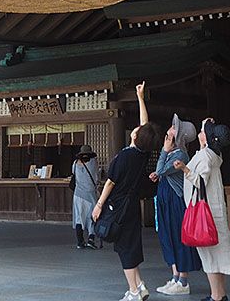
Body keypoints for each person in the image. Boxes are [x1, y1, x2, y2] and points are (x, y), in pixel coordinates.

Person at [92, 82, 159, 301]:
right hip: (131, 206)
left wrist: (99, 204)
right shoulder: (143, 154)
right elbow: (145, 125)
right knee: (130, 242)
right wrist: (140, 97)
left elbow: (110, 182)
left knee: (123, 247)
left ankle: (133, 291)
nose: (138, 128)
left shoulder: (125, 157)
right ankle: (140, 285)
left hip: (117, 205)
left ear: (135, 137)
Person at [173, 118, 230, 301]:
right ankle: (220, 294)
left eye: (203, 131)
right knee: (218, 255)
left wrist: (185, 169)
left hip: (206, 213)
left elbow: (201, 181)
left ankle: (216, 296)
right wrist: (207, 125)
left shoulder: (204, 156)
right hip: (216, 211)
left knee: (210, 257)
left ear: (207, 138)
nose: (200, 133)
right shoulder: (214, 155)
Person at [150, 115, 201, 295]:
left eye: (174, 128)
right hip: (166, 198)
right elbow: (161, 172)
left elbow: (161, 170)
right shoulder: (173, 152)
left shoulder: (179, 154)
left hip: (175, 200)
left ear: (179, 135)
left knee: (178, 237)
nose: (170, 128)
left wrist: (163, 152)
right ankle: (175, 277)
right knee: (168, 236)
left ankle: (183, 281)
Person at [72, 144, 101, 249]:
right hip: (90, 194)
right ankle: (91, 239)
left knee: (79, 218)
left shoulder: (75, 164)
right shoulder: (93, 163)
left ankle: (80, 242)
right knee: (92, 216)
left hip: (78, 195)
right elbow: (97, 176)